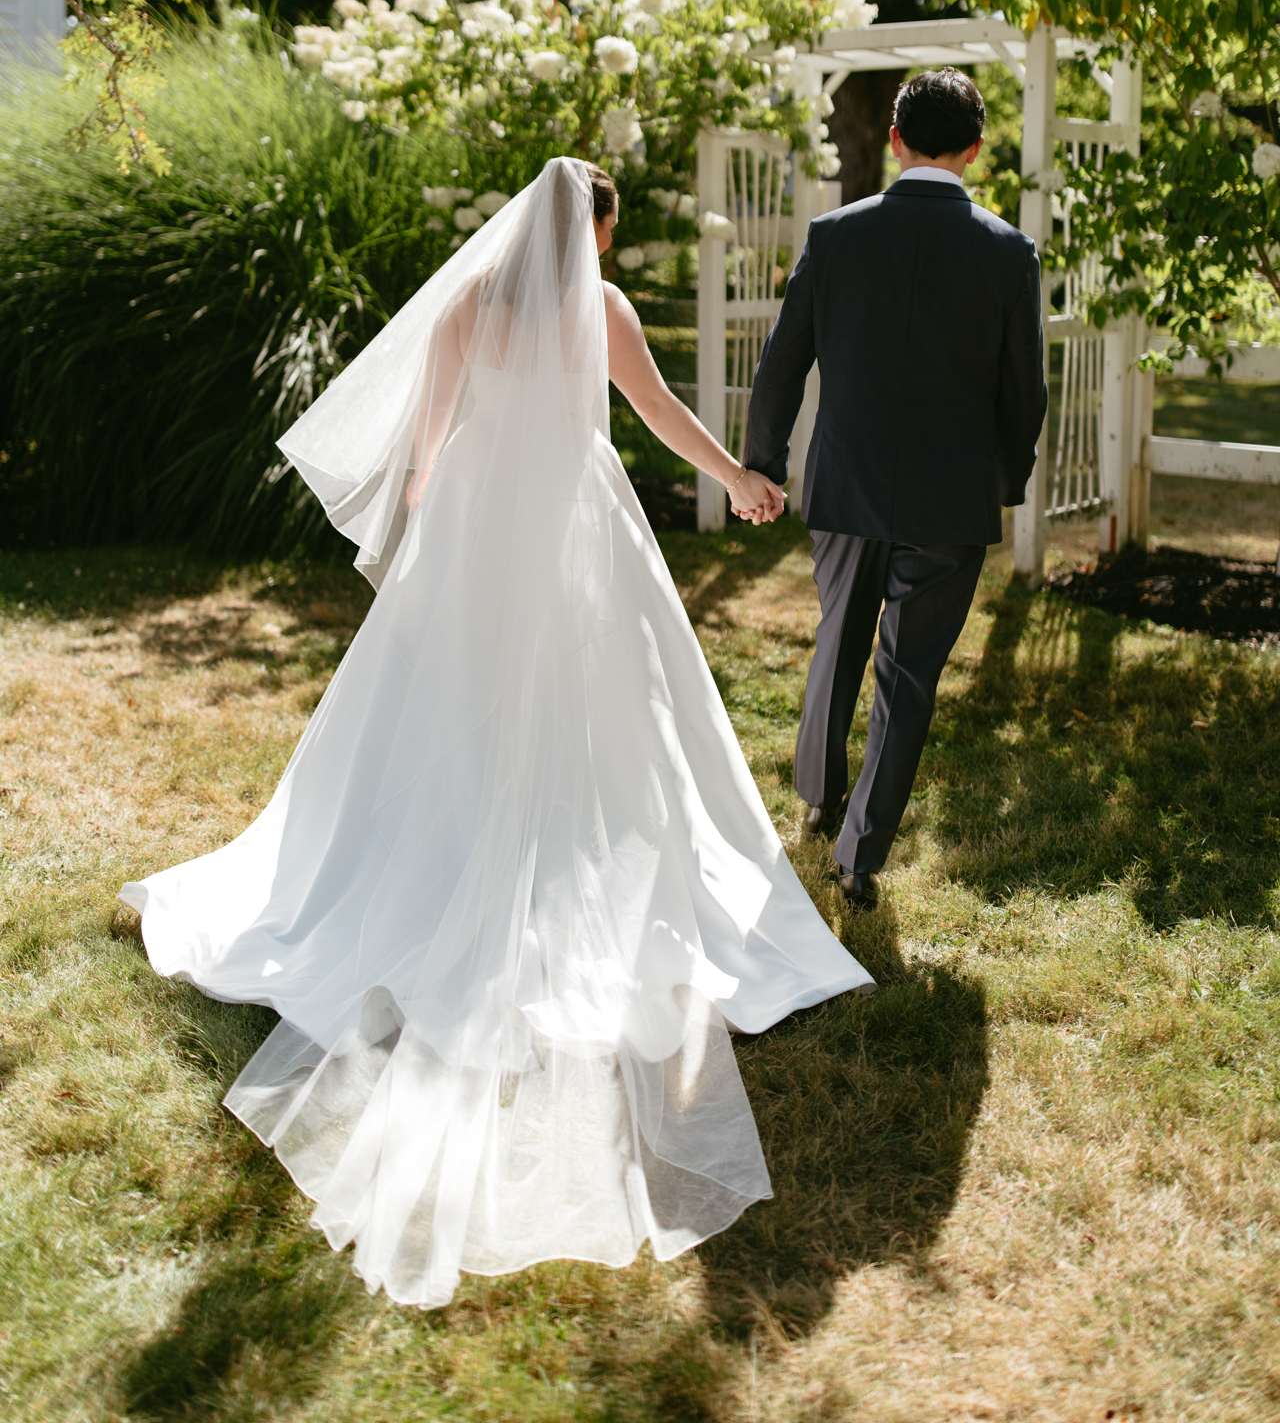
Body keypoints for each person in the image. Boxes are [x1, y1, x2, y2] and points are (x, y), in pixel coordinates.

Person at [121, 157, 872, 1311]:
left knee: (451, 697)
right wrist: (736, 478)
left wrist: (429, 510)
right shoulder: (602, 310)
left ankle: (444, 834)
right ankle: (569, 844)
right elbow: (657, 415)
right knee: (601, 703)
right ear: (592, 238)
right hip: (575, 520)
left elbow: (427, 438)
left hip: (480, 514)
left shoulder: (470, 305)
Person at [743, 69, 1048, 910]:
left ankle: (817, 794)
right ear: (976, 152)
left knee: (838, 638)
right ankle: (860, 853)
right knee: (908, 676)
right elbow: (1027, 392)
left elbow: (781, 364)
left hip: (846, 483)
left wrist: (763, 463)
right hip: (951, 499)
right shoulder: (1007, 251)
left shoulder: (835, 236)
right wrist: (1004, 479)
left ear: (894, 141)